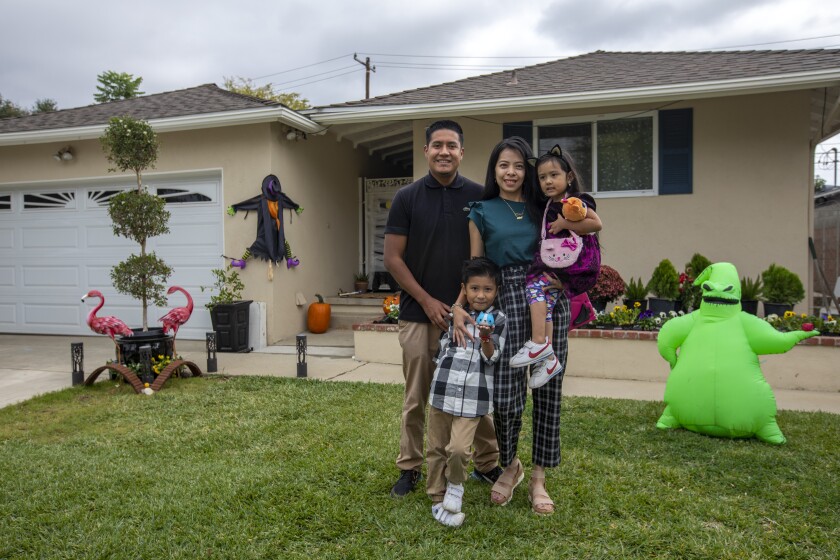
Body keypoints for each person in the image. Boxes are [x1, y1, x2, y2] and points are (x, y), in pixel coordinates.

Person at [454, 137, 601, 515]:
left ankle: (538, 477)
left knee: (548, 390)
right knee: (506, 395)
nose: (511, 172)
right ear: (494, 170)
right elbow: (476, 270)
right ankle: (510, 466)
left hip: (548, 300)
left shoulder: (546, 205)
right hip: (504, 301)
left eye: (519, 166)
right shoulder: (481, 211)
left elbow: (584, 239)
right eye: (504, 165)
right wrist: (460, 306)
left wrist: (566, 281)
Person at [384, 119, 502, 498]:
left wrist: (459, 304)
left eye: (452, 145)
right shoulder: (407, 197)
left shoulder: (480, 195)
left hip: (467, 315)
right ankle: (409, 467)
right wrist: (426, 300)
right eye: (437, 145)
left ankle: (487, 463)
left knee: (473, 390)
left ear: (462, 152)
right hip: (417, 314)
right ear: (426, 151)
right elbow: (393, 259)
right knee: (416, 396)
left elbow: (482, 259)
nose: (444, 152)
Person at [509, 145, 602, 388]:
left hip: (571, 263)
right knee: (546, 305)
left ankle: (539, 342)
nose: (548, 181)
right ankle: (548, 360)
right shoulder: (550, 204)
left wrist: (565, 223)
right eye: (542, 177)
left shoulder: (574, 202)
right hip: (559, 265)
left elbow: (596, 224)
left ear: (569, 177)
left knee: (533, 288)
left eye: (554, 175)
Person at [427, 257, 507, 527]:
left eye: (487, 289)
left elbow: (492, 357)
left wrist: (485, 337)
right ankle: (437, 499)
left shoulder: (499, 320)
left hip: (473, 397)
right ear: (464, 289)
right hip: (443, 391)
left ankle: (455, 485)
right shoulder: (455, 316)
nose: (481, 295)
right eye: (474, 288)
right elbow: (443, 348)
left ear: (496, 290)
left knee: (459, 449)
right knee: (436, 447)